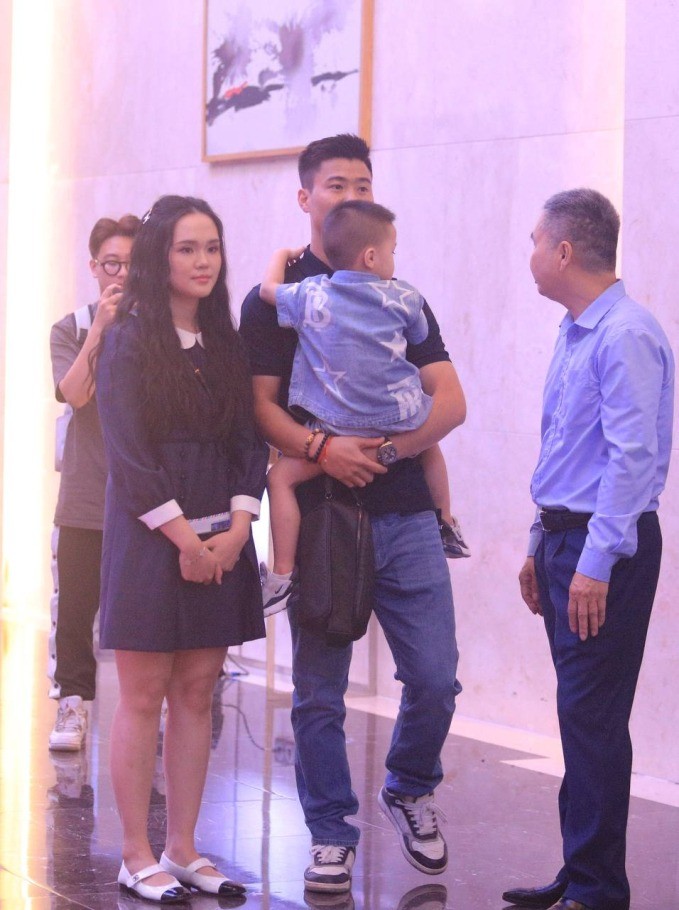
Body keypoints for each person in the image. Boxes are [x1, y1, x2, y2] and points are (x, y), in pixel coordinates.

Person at [240, 133, 465, 895]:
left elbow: (449, 401)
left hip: (405, 515)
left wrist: (391, 451)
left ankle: (408, 785)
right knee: (319, 694)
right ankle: (330, 835)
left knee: (434, 679)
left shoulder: (399, 293)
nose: (350, 194)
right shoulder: (279, 299)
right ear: (306, 197)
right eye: (336, 184)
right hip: (322, 513)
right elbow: (259, 408)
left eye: (362, 183)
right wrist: (322, 448)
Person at [504, 189, 674, 910]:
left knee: (593, 716)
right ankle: (580, 870)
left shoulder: (624, 334)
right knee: (579, 714)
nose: (531, 254)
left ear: (565, 250)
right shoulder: (576, 331)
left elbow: (632, 461)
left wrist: (594, 564)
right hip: (564, 536)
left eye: (536, 241)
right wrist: (537, 542)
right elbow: (565, 450)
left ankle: (599, 889)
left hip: (604, 545)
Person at [96, 195, 268, 903]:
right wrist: (186, 541)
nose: (203, 262)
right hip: (150, 540)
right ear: (157, 255)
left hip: (221, 538)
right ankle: (135, 854)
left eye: (212, 248)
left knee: (197, 693)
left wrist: (236, 530)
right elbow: (130, 456)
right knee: (143, 696)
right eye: (187, 248)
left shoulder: (226, 341)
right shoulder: (128, 340)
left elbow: (247, 443)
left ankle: (183, 846)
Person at [258, 199, 469, 614]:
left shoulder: (312, 294)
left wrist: (281, 255)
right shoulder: (405, 296)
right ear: (371, 257)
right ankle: (445, 521)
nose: (394, 260)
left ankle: (282, 574)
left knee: (280, 478)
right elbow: (419, 335)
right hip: (397, 419)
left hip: (334, 432)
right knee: (428, 444)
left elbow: (267, 292)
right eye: (393, 251)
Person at [48, 214, 141, 751]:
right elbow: (76, 394)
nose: (122, 274)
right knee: (76, 612)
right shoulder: (72, 327)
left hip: (145, 497)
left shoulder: (161, 326)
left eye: (131, 263)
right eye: (112, 264)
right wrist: (102, 329)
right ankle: (73, 705)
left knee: (144, 614)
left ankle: (147, 711)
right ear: (94, 267)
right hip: (86, 496)